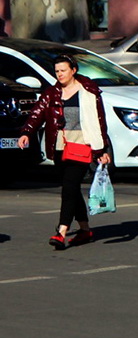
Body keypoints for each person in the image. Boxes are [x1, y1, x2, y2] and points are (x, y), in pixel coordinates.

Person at [18, 54, 113, 250]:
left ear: (73, 70)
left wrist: (101, 148)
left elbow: (99, 122)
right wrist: (27, 132)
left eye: (63, 70)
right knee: (71, 188)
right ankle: (85, 230)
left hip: (82, 146)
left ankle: (61, 231)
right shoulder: (52, 93)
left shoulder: (89, 91)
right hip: (60, 147)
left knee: (69, 187)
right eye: (57, 71)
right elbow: (37, 113)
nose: (60, 74)